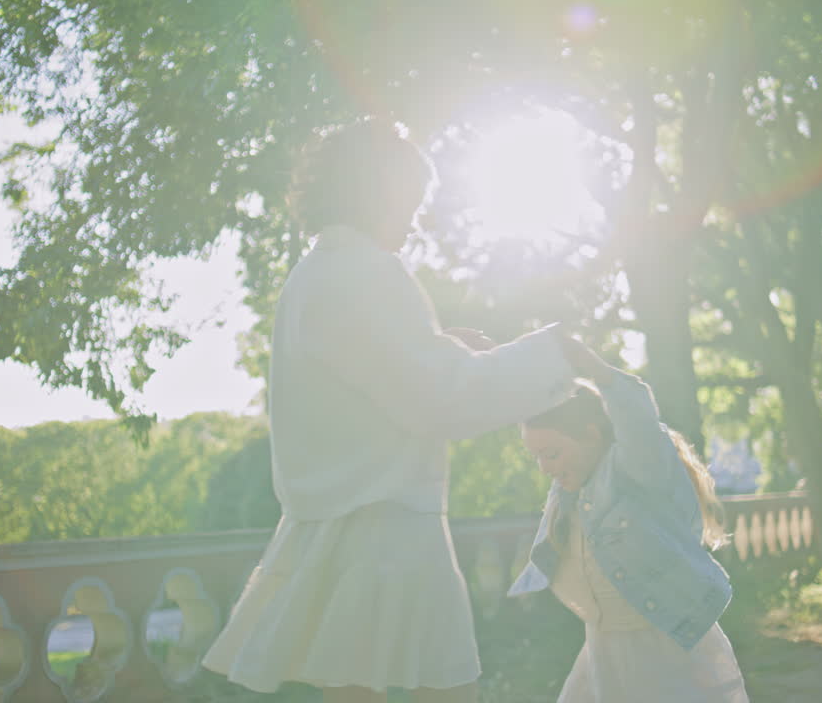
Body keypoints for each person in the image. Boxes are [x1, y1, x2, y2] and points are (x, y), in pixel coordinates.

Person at [202, 120, 577, 703]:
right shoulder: (367, 272)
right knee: (447, 693)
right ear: (378, 189)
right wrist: (553, 356)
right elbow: (440, 400)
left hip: (336, 530)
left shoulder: (312, 276)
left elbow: (377, 382)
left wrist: (439, 348)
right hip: (386, 537)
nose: (414, 218)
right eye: (411, 199)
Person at [508, 337, 749, 702]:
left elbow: (638, 422)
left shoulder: (634, 472)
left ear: (593, 433)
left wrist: (596, 370)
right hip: (604, 645)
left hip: (664, 642)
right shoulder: (571, 490)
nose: (545, 468)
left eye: (552, 453)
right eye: (537, 457)